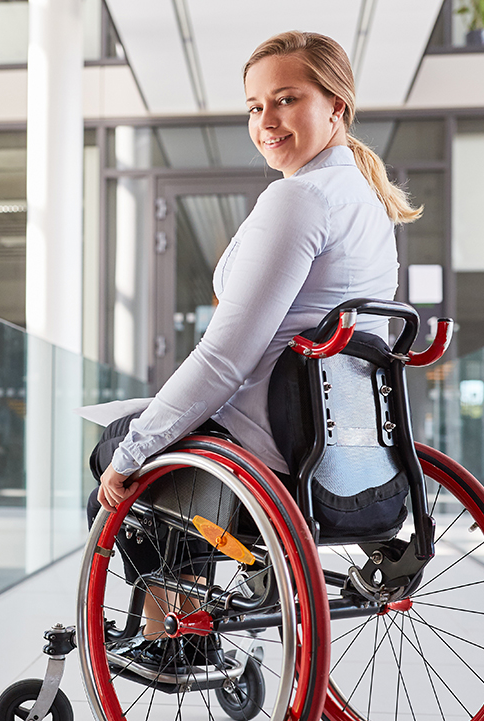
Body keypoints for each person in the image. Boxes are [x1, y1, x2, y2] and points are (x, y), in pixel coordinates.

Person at [89, 30, 421, 666]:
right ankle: (222, 586)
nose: (266, 121)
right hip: (349, 447)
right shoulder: (368, 203)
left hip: (274, 442)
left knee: (118, 452)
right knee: (153, 431)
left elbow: (225, 359)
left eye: (286, 99)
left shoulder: (300, 197)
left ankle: (176, 639)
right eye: (254, 106)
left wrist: (134, 452)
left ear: (336, 108)